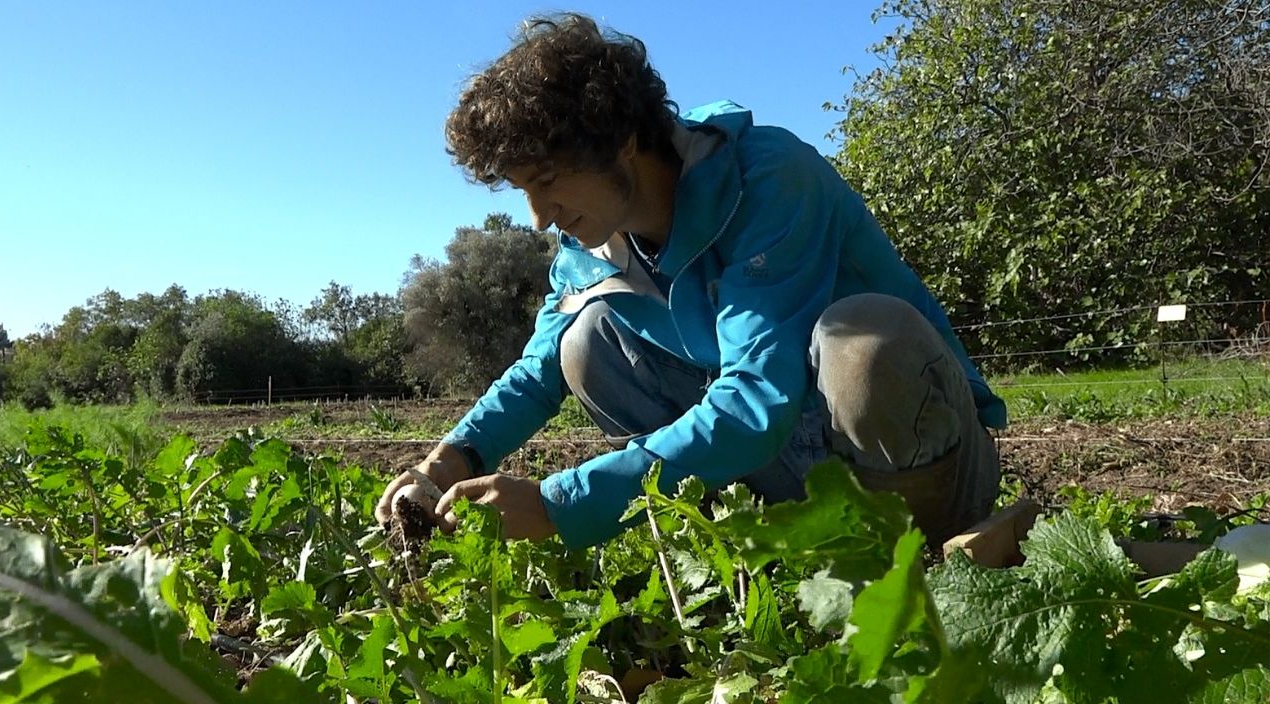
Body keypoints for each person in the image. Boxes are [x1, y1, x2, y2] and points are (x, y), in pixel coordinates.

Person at [374, 13, 1006, 550]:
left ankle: (938, 548)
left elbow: (758, 400)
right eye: (522, 192)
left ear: (619, 141)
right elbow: (535, 373)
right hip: (800, 472)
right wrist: (450, 459)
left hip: (923, 464)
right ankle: (744, 542)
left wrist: (559, 504)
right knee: (584, 342)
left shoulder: (768, 180)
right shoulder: (587, 243)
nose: (538, 216)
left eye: (546, 181)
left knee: (864, 341)